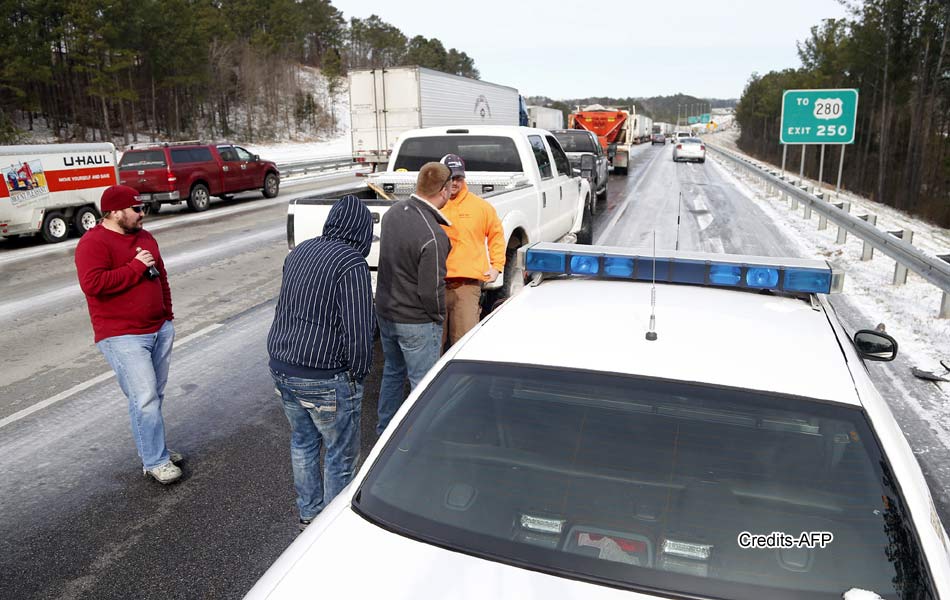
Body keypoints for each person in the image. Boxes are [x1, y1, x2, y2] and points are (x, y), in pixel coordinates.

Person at [267, 194, 374, 530]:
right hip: (323, 375)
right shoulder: (351, 262)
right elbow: (359, 327)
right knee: (341, 453)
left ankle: (309, 515)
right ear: (361, 230)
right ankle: (332, 530)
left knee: (303, 441)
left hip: (283, 365)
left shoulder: (301, 250)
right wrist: (358, 373)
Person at [74, 185, 181, 484]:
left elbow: (161, 276)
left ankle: (154, 449)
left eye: (142, 207)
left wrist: (167, 316)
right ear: (115, 212)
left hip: (158, 328)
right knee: (144, 398)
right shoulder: (93, 243)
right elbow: (93, 284)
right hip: (122, 335)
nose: (142, 213)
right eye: (136, 209)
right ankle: (155, 461)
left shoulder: (144, 236)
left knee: (152, 397)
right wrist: (134, 267)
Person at [375, 162, 452, 435]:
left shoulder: (393, 213)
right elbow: (430, 290)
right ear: (443, 190)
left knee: (393, 374)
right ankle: (420, 441)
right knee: (423, 383)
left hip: (386, 313)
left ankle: (385, 430)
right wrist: (438, 317)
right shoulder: (433, 235)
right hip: (416, 320)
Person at [438, 154, 506, 348]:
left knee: (464, 344)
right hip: (436, 286)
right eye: (450, 177)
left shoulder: (481, 207)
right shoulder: (434, 206)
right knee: (434, 346)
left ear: (464, 178)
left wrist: (496, 266)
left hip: (466, 287)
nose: (454, 183)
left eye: (458, 178)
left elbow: (496, 235)